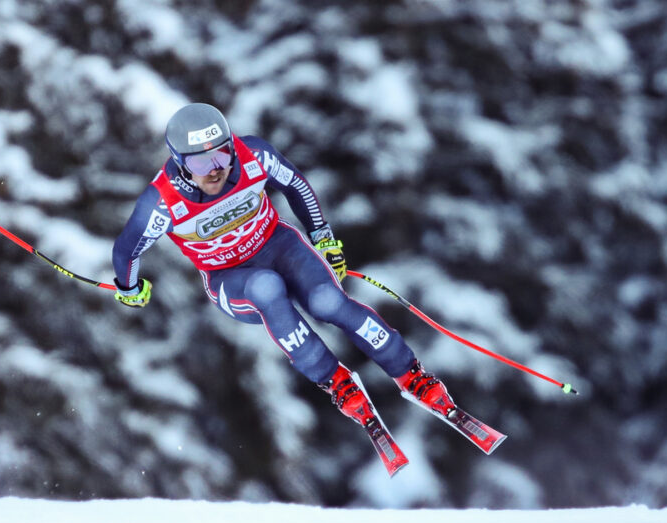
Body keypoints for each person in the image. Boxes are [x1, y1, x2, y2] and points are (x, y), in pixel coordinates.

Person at [111, 103, 456, 428]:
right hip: (231, 279)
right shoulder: (162, 202)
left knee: (328, 302)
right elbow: (128, 251)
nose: (215, 168)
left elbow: (297, 187)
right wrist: (129, 288)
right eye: (201, 164)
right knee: (266, 287)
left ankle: (409, 372)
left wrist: (324, 239)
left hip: (279, 247)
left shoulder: (253, 157)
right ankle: (334, 381)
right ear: (180, 163)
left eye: (221, 154)